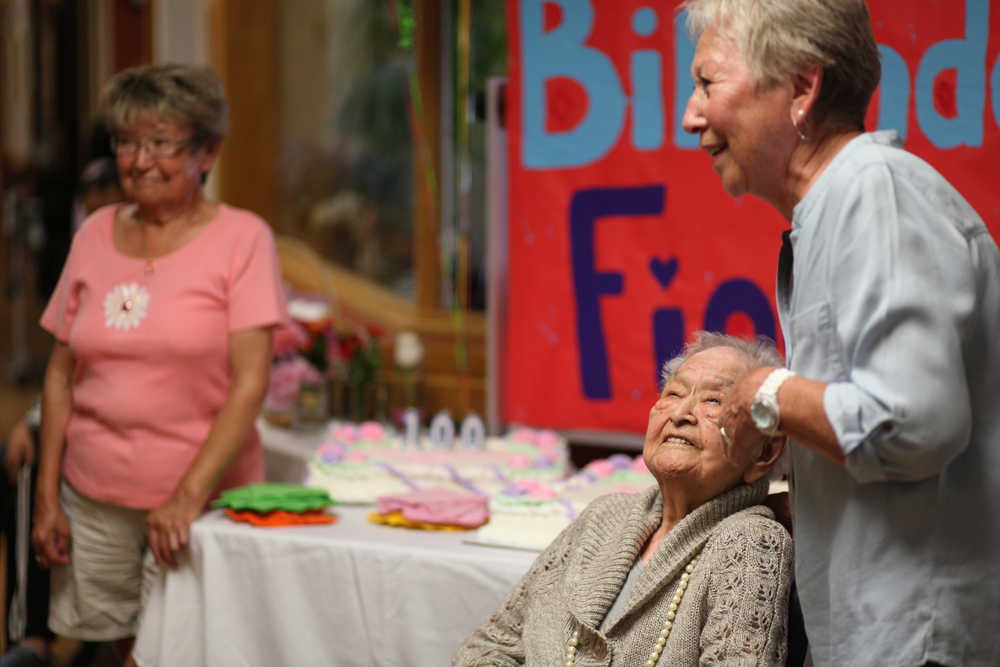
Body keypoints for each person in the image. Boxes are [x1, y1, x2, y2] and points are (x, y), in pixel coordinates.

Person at [679, 2, 1000, 666]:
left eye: (709, 83)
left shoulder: (873, 191)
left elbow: (913, 424)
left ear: (802, 87)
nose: (691, 116)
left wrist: (763, 392)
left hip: (922, 641)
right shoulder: (828, 211)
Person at [31, 64, 287, 666]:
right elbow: (61, 374)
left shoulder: (243, 240)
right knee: (121, 644)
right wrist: (47, 497)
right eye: (126, 142)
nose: (139, 160)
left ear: (208, 152)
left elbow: (250, 385)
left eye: (161, 142)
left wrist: (185, 497)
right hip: (94, 498)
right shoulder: (93, 232)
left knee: (187, 654)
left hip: (201, 505)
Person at [453, 332, 793, 666]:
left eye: (714, 402)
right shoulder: (605, 516)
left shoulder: (750, 543)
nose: (680, 414)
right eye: (673, 393)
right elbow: (487, 648)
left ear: (763, 451)